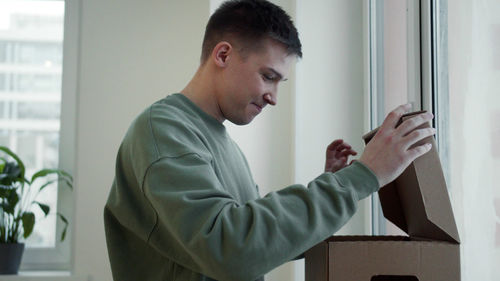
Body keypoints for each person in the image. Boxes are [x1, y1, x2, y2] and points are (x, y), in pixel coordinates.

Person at [103, 0, 435, 280]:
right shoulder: (163, 131)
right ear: (223, 55)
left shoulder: (222, 144)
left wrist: (332, 184)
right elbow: (232, 250)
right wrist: (362, 176)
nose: (273, 97)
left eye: (280, 82)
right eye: (268, 76)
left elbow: (261, 242)